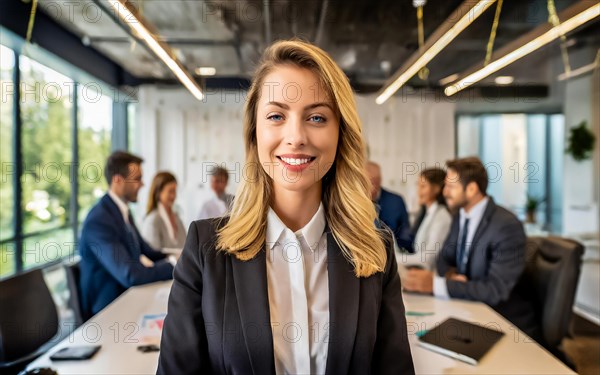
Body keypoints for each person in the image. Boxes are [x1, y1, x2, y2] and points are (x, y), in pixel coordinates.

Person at [158, 40, 414, 374]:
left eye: (317, 117)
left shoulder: (374, 249)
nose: (296, 137)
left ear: (341, 133)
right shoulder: (205, 249)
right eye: (276, 116)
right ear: (254, 131)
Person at [402, 157, 538, 337]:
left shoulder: (506, 226)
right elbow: (444, 258)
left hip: (504, 322)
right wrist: (451, 275)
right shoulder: (460, 216)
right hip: (470, 310)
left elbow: (496, 290)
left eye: (451, 187)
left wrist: (437, 285)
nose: (444, 192)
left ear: (472, 189)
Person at [79, 151, 175, 317]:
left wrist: (179, 255)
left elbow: (147, 251)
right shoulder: (99, 220)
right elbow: (129, 274)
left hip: (129, 298)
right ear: (117, 180)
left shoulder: (122, 211)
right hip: (107, 311)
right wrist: (174, 264)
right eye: (137, 179)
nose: (143, 184)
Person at [400, 168, 452, 270]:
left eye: (423, 186)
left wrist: (395, 259)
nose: (418, 191)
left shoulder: (442, 216)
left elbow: (428, 258)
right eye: (418, 185)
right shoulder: (426, 213)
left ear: (436, 189)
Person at [366, 161, 412, 251]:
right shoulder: (355, 201)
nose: (371, 186)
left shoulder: (396, 201)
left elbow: (405, 234)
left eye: (374, 181)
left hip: (393, 253)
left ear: (380, 180)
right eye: (367, 181)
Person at [141, 171, 186, 250]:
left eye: (174, 191)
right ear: (159, 192)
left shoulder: (177, 218)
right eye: (170, 191)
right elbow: (153, 254)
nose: (173, 196)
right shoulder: (153, 220)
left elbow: (186, 246)